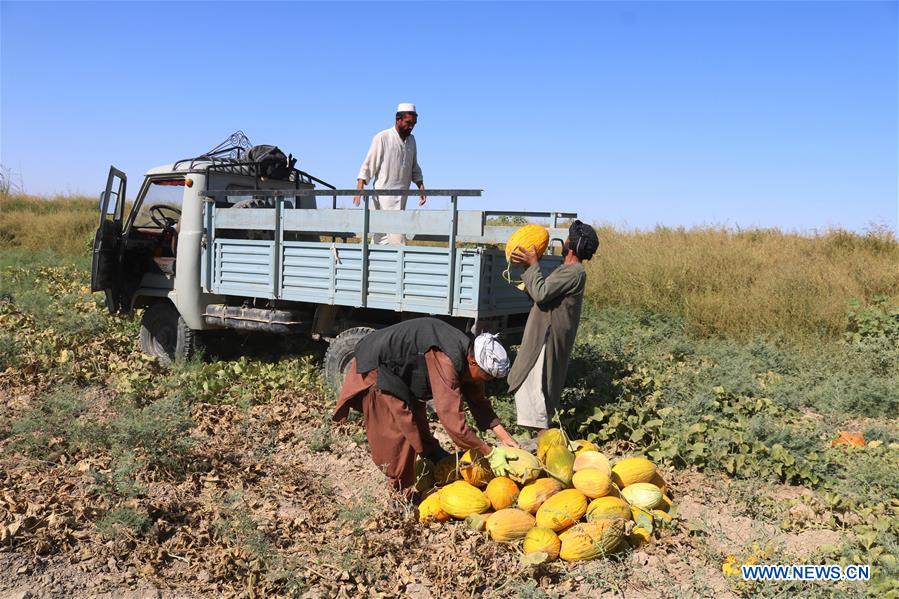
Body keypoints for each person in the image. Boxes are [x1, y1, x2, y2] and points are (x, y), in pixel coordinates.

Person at [332, 317, 520, 493]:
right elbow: (453, 423)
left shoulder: (468, 356)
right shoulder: (447, 359)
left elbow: (479, 402)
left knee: (418, 424)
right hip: (378, 369)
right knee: (401, 435)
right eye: (487, 376)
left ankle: (435, 460)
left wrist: (505, 438)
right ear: (473, 361)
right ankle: (399, 496)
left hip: (400, 374)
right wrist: (489, 452)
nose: (486, 381)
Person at [506, 220, 599, 433]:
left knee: (535, 390)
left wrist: (532, 265)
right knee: (533, 391)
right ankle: (541, 442)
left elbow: (541, 293)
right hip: (544, 334)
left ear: (572, 245)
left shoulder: (574, 272)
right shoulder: (567, 269)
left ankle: (545, 444)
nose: (565, 240)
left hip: (546, 338)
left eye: (568, 238)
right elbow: (543, 294)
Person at [353, 102, 426, 245]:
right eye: (408, 122)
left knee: (387, 240)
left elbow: (414, 167)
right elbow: (368, 164)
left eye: (414, 123)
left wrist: (421, 186)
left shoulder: (411, 140)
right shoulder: (383, 137)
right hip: (382, 199)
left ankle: (374, 267)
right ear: (398, 119)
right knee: (392, 241)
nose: (411, 126)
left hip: (401, 198)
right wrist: (359, 188)